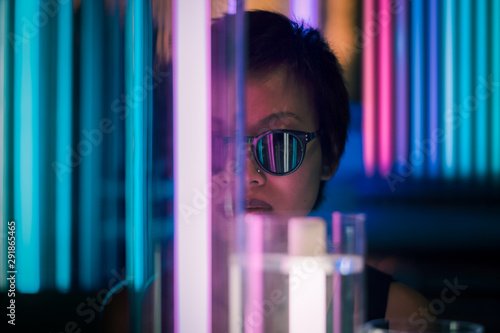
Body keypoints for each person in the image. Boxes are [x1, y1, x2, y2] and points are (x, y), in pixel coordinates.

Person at [101, 10, 429, 332]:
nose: (244, 176)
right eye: (214, 143)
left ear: (329, 154)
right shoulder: (138, 314)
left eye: (280, 143)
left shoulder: (397, 318)